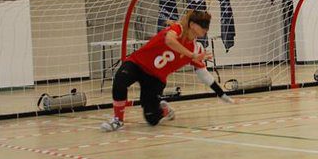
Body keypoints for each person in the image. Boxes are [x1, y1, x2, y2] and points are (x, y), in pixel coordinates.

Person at [100, 10, 234, 132]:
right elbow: (169, 41)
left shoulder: (196, 48)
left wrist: (221, 93)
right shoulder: (178, 29)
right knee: (119, 81)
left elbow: (203, 74)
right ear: (192, 24)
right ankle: (118, 120)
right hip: (138, 63)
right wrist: (191, 55)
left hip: (155, 78)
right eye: (204, 26)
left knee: (151, 119)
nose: (206, 29)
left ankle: (164, 110)